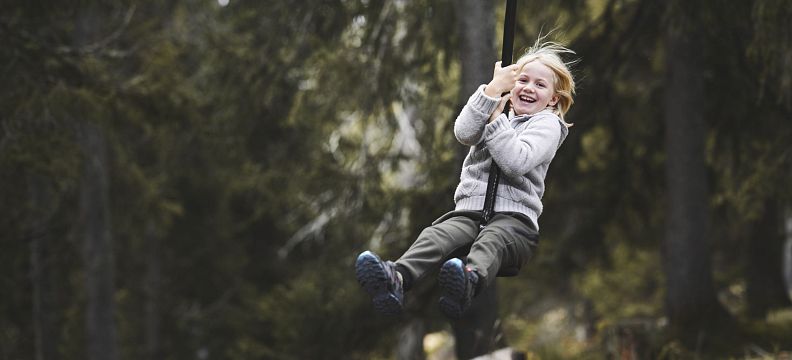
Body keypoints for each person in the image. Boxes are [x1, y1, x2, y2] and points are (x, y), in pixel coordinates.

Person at [355, 39, 576, 319]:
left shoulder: (547, 124)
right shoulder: (496, 108)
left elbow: (516, 161)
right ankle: (397, 277)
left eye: (540, 85)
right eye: (522, 80)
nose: (529, 88)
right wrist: (492, 91)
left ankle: (468, 282)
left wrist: (497, 121)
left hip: (514, 224)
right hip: (471, 213)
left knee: (492, 240)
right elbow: (464, 133)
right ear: (511, 83)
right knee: (436, 234)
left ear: (554, 99)